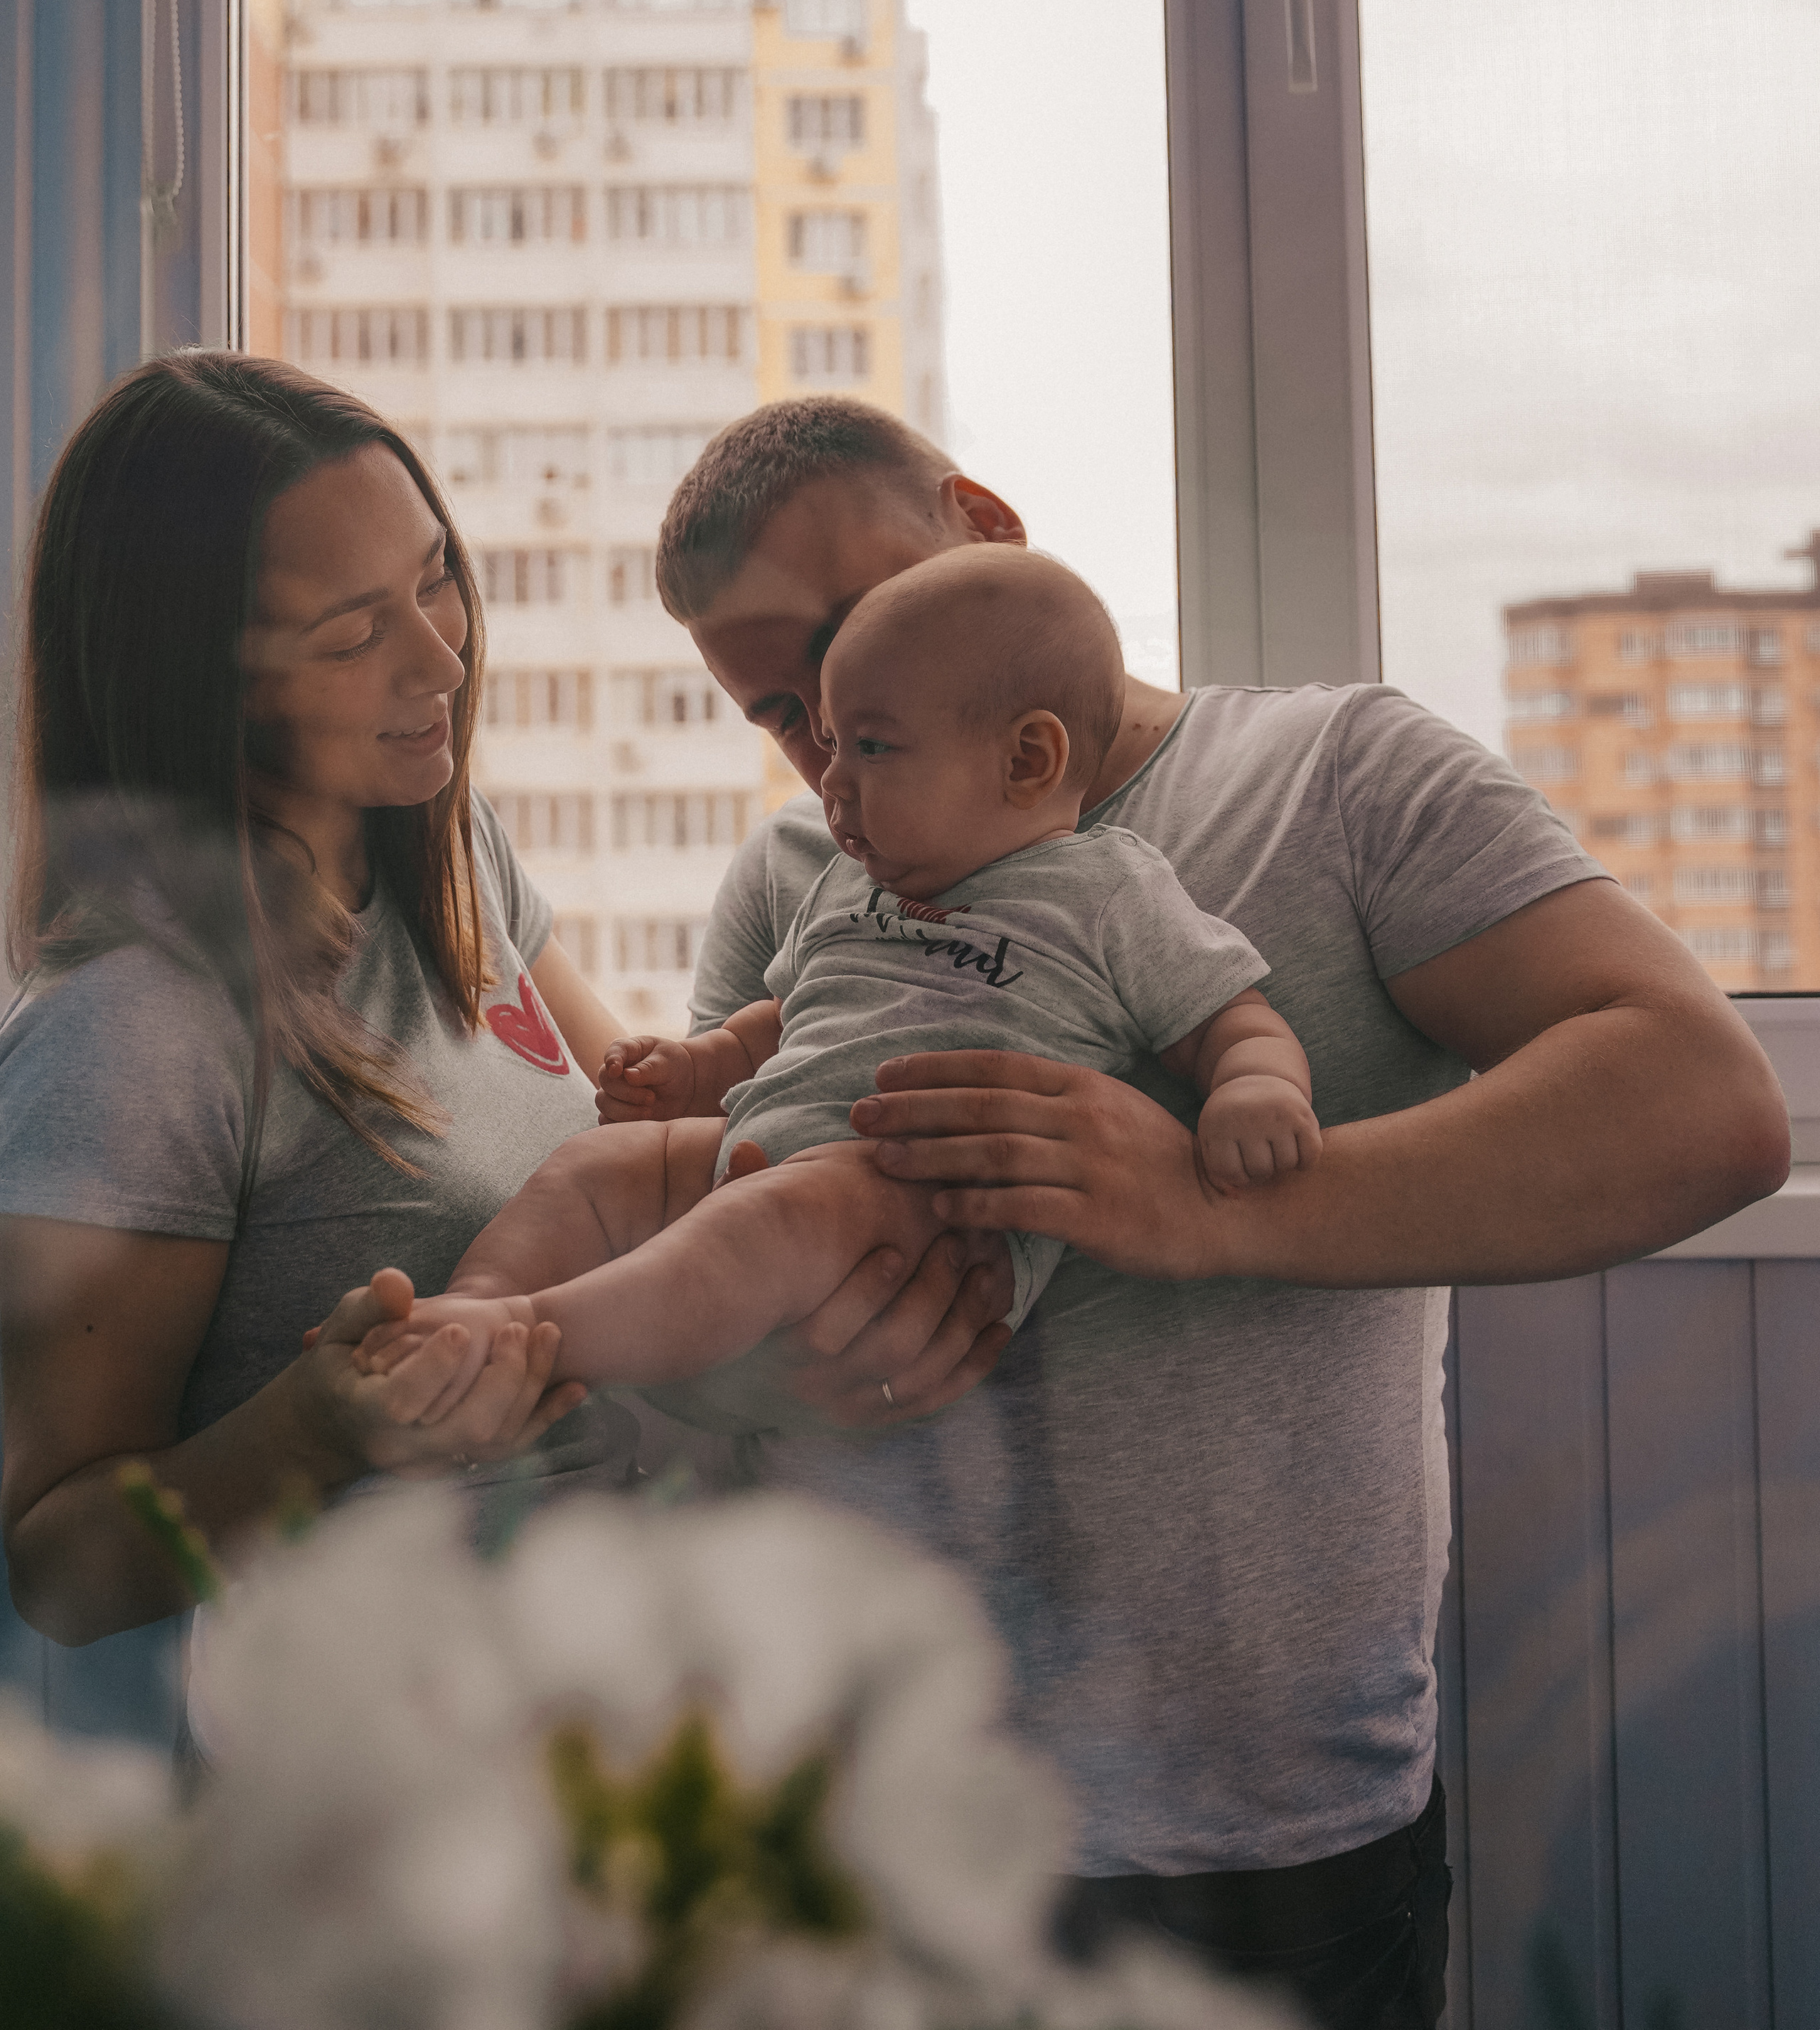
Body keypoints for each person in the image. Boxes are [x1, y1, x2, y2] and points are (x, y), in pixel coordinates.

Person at [644, 394, 1789, 2030]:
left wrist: (1210, 1208)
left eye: (851, 635)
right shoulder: (793, 880)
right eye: (781, 711)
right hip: (867, 1826)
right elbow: (713, 1286)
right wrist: (753, 1371)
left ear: (984, 527)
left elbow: (1701, 1104)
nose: (832, 745)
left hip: (1256, 1839)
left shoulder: (1333, 776)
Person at [0, 356, 988, 1650]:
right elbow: (62, 1570)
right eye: (352, 636)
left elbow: (634, 1162)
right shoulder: (129, 1031)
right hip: (385, 1741)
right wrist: (319, 1432)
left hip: (600, 1698)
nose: (441, 660)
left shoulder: (450, 861)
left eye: (436, 579)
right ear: (200, 685)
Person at [355, 546, 1307, 1421]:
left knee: (768, 1220)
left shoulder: (1108, 890)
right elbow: (787, 1018)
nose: (832, 782)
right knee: (594, 1168)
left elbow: (1229, 1018)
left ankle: (530, 1339)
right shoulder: (853, 881)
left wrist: (1257, 1088)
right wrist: (699, 1067)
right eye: (829, 741)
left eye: (874, 748)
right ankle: (466, 1310)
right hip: (771, 1144)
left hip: (923, 1195)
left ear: (1027, 760)